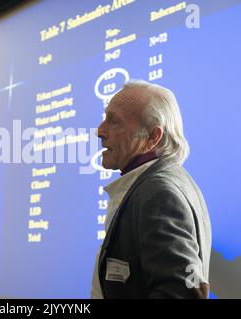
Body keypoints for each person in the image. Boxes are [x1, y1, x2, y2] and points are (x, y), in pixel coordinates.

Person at [91, 80, 212, 299]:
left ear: (152, 137)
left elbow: (181, 293)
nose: (100, 131)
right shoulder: (158, 183)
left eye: (114, 121)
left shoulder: (159, 192)